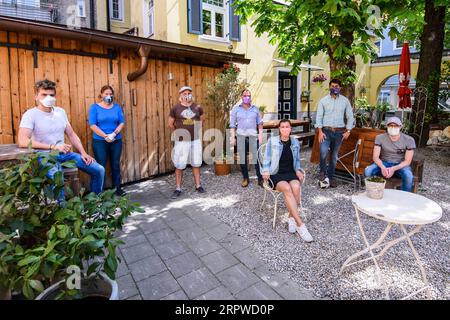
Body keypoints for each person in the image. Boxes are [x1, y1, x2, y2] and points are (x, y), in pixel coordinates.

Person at [18, 79, 105, 196]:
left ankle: (96, 202)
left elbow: (71, 134)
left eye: (51, 95)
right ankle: (62, 209)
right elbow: (23, 141)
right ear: (36, 96)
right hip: (44, 156)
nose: (48, 97)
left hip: (65, 154)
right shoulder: (30, 114)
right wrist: (53, 147)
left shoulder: (60, 112)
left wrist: (83, 152)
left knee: (99, 170)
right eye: (44, 94)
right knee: (58, 179)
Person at [261, 119, 313, 242]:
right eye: (282, 127)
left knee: (296, 187)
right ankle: (300, 224)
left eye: (287, 127)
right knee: (287, 188)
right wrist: (265, 170)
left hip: (290, 172)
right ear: (279, 129)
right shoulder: (272, 141)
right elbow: (266, 158)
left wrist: (298, 170)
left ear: (291, 129)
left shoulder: (295, 142)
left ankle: (291, 218)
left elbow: (297, 160)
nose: (285, 129)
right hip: (276, 173)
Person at [315, 78, 354, 188]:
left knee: (333, 156)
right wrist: (320, 132)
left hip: (339, 132)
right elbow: (319, 117)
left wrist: (348, 131)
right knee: (323, 152)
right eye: (332, 86)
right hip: (326, 131)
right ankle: (322, 173)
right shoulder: (323, 101)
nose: (334, 88)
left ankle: (330, 177)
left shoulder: (345, 101)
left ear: (340, 88)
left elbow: (350, 116)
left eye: (336, 86)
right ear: (329, 87)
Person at [168, 86, 206, 198]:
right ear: (180, 95)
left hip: (195, 140)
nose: (187, 94)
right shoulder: (176, 108)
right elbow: (170, 123)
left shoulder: (197, 107)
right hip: (181, 141)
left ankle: (198, 185)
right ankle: (178, 188)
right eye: (184, 93)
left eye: (189, 92)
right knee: (180, 164)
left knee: (196, 163)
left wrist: (197, 129)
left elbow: (203, 120)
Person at [88, 85, 125, 196]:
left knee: (115, 164)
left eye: (110, 94)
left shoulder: (117, 107)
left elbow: (122, 122)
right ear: (101, 94)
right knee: (101, 166)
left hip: (116, 140)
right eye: (106, 94)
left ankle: (117, 189)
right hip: (100, 141)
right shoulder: (94, 107)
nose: (108, 96)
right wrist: (105, 136)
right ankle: (100, 192)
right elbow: (92, 125)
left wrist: (113, 134)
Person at [364, 116, 416, 192]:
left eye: (395, 126)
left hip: (400, 165)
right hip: (384, 162)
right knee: (368, 171)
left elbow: (407, 161)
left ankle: (404, 197)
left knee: (408, 176)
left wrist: (393, 169)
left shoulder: (409, 140)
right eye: (390, 125)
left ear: (400, 127)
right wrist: (382, 167)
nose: (393, 127)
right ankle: (373, 192)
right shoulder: (380, 138)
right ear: (387, 126)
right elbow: (375, 157)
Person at [230, 89, 264, 187]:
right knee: (243, 160)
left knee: (257, 159)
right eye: (245, 96)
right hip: (241, 137)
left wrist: (260, 136)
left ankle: (260, 179)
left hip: (253, 137)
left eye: (248, 95)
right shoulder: (236, 109)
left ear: (250, 97)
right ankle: (245, 178)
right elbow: (232, 125)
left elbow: (260, 124)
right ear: (241, 97)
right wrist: (233, 137)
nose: (246, 97)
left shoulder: (255, 109)